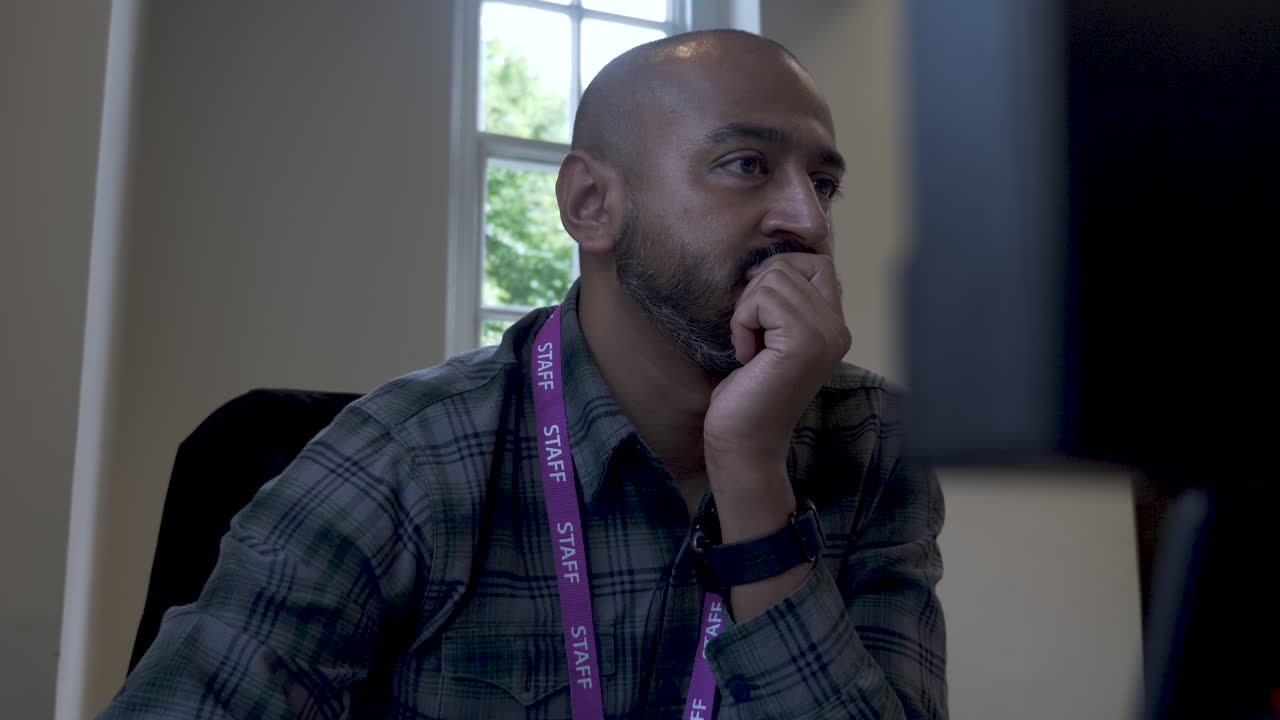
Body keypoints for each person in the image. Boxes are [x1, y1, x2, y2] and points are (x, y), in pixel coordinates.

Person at [101, 29, 946, 720]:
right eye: (745, 165)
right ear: (590, 205)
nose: (806, 217)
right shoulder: (405, 456)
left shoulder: (871, 442)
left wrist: (754, 476)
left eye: (823, 182)